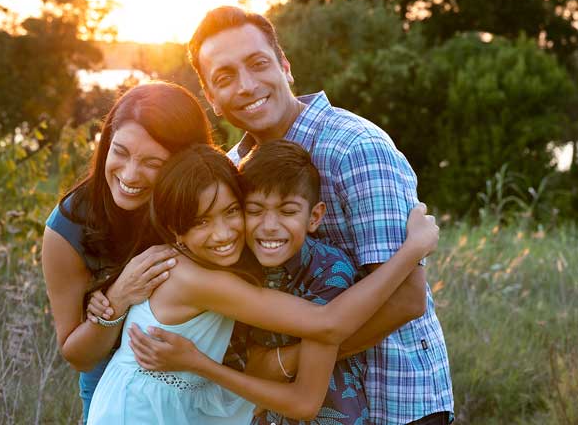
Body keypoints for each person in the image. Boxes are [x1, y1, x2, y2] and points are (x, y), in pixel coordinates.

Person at [187, 6, 454, 425]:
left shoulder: (356, 148)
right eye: (225, 77)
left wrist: (281, 364)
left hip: (392, 400)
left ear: (286, 67)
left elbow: (406, 299)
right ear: (212, 100)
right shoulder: (235, 170)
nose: (247, 85)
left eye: (258, 64)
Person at [86, 143, 438, 424]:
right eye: (201, 221)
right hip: (140, 408)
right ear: (176, 230)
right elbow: (328, 323)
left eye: (231, 212)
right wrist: (411, 252)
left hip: (171, 401)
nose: (223, 234)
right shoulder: (196, 279)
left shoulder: (219, 262)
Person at [128, 140, 372, 425]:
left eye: (288, 211)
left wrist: (411, 254)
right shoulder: (232, 263)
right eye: (254, 210)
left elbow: (305, 399)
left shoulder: (328, 270)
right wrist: (113, 298)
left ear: (314, 216)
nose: (269, 225)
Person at [42, 82, 214, 425]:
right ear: (105, 143)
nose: (130, 175)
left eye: (153, 162)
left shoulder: (211, 205)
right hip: (121, 398)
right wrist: (118, 299)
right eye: (120, 152)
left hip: (211, 389)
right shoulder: (69, 225)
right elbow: (78, 356)